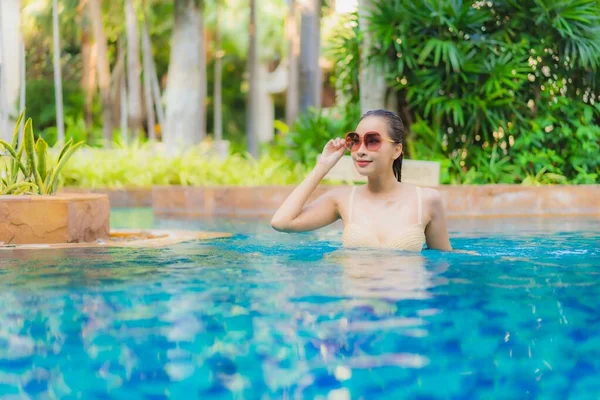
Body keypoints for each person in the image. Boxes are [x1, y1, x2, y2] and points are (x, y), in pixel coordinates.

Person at [270, 109, 452, 251]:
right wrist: (322, 166)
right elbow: (282, 222)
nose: (361, 150)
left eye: (372, 141)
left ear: (397, 150)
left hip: (406, 297)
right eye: (355, 141)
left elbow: (441, 262)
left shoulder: (426, 201)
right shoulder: (341, 200)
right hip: (355, 298)